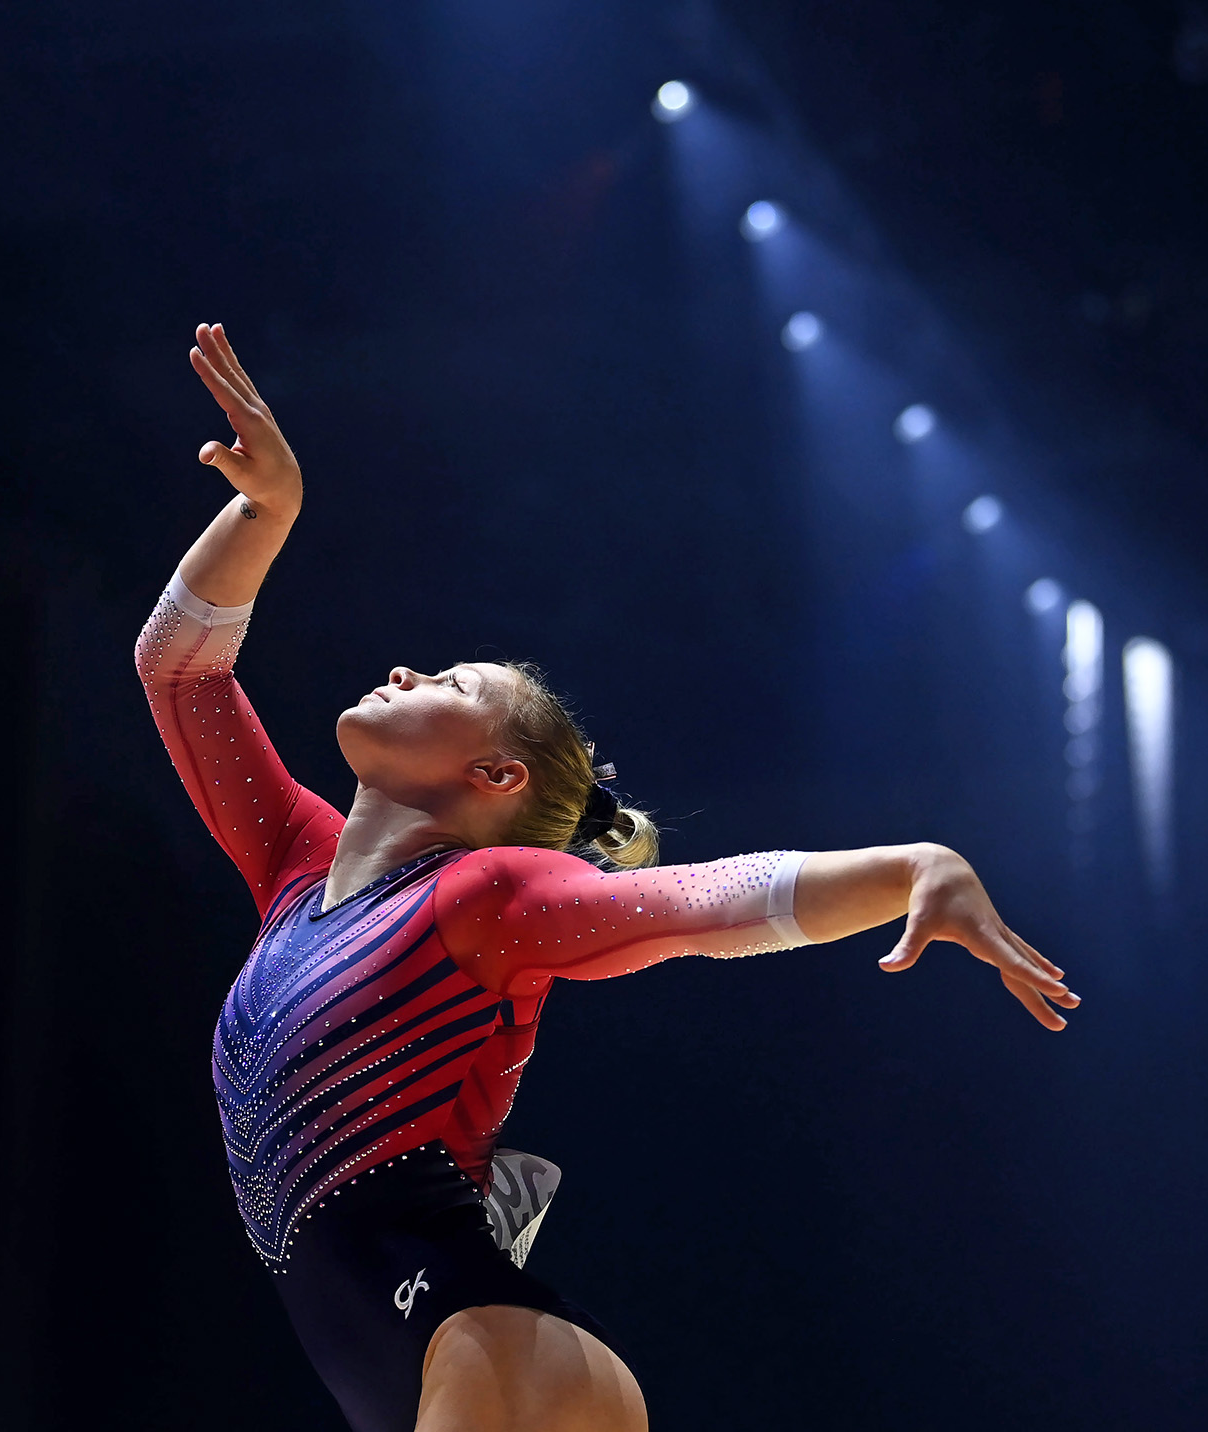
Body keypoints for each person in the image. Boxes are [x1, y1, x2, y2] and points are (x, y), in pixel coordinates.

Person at [136, 323, 1079, 1432]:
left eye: (445, 677)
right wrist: (265, 513)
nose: (401, 668)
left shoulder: (485, 900)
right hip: (404, 1367)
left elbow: (695, 909)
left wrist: (911, 866)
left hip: (491, 1350)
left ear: (494, 772)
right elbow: (180, 664)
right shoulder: (293, 870)